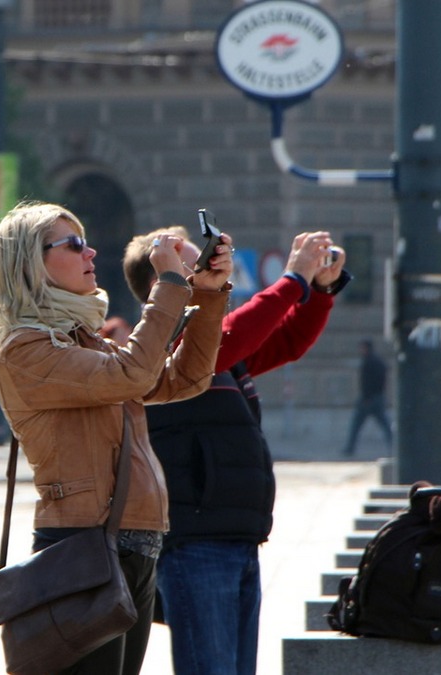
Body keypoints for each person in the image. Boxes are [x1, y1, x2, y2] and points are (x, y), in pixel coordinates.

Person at [0, 202, 233, 675]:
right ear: (30, 262)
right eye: (73, 244)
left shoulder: (85, 340)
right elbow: (133, 372)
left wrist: (208, 295)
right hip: (82, 543)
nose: (90, 251)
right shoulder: (25, 349)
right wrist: (170, 285)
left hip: (134, 542)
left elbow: (186, 380)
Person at [123, 226, 350, 675]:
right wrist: (294, 280)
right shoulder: (160, 350)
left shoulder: (211, 347)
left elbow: (286, 340)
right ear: (160, 283)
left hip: (237, 537)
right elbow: (231, 336)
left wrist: (320, 290)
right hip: (195, 542)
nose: (212, 267)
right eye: (195, 263)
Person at [343, 338, 393, 457]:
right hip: (377, 397)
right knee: (385, 424)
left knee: (356, 425)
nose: (360, 350)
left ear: (366, 348)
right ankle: (394, 446)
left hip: (368, 399)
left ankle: (350, 448)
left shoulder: (368, 362)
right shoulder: (378, 361)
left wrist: (367, 397)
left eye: (362, 347)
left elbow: (366, 382)